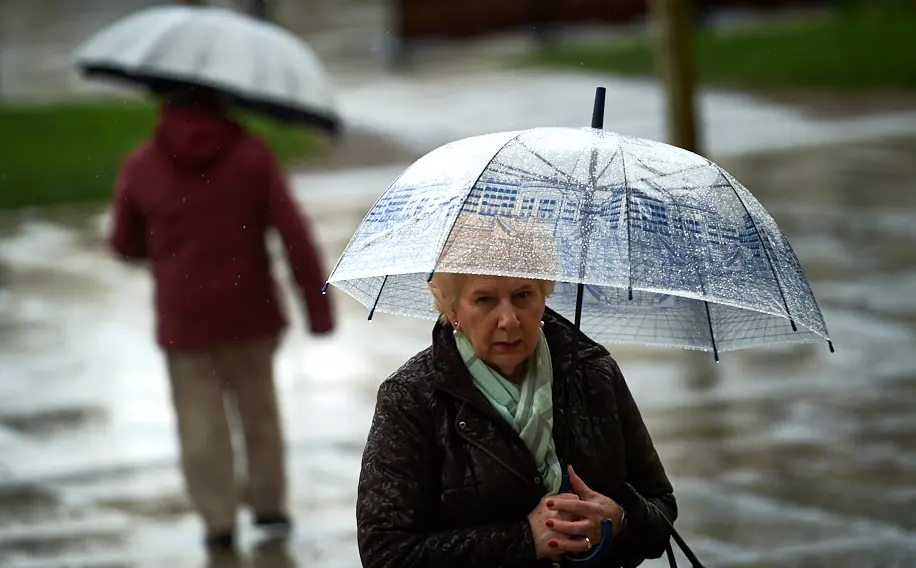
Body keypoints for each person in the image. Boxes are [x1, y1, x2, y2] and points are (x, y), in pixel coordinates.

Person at [107, 85, 334, 550]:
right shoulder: (251, 155)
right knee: (260, 414)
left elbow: (124, 244)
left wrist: (168, 241)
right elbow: (294, 233)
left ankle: (218, 521)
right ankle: (269, 507)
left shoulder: (142, 165)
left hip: (184, 320)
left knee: (199, 424)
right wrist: (317, 307)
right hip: (250, 312)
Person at [355, 262, 677, 566]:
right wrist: (525, 539)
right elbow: (386, 554)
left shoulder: (593, 374)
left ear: (543, 296)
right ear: (453, 310)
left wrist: (618, 519)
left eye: (523, 295)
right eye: (485, 300)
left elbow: (660, 508)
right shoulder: (411, 398)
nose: (508, 319)